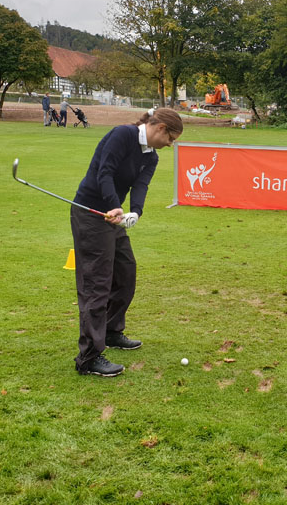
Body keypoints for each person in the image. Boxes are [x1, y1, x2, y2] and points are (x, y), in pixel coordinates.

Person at [71, 108, 183, 377]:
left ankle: (110, 331)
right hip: (91, 213)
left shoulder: (151, 157)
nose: (170, 145)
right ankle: (89, 358)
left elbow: (141, 185)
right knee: (97, 283)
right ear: (160, 129)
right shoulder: (123, 134)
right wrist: (114, 206)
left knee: (125, 272)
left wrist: (135, 211)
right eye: (171, 139)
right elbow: (104, 172)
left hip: (114, 218)